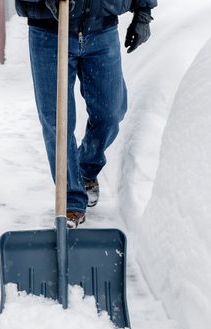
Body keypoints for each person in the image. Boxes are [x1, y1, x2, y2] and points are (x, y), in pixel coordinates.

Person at [15, 0, 157, 227]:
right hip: (48, 33)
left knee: (110, 112)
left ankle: (86, 167)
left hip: (102, 30)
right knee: (57, 121)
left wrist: (143, 11)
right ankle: (71, 201)